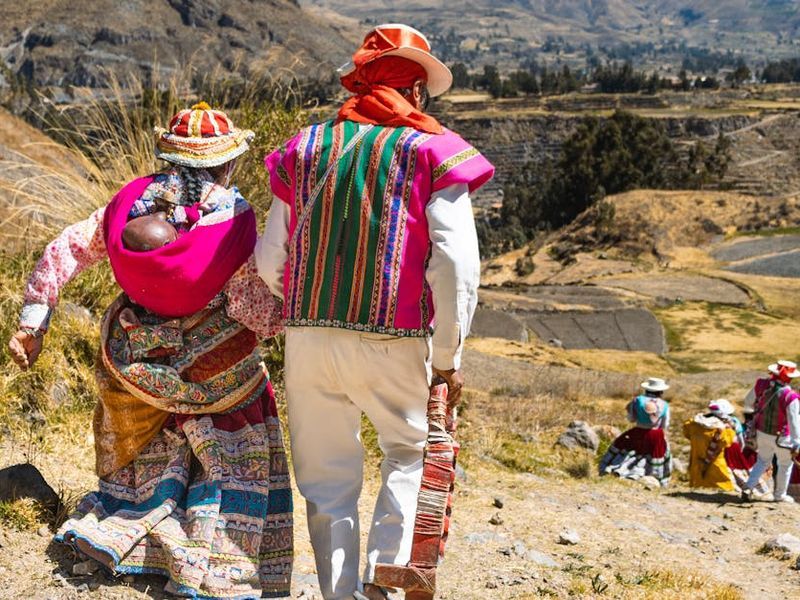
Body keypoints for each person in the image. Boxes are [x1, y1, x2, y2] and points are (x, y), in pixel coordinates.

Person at [8, 103, 293, 598]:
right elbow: (250, 307)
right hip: (212, 365)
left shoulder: (130, 204)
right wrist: (284, 321)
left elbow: (66, 249)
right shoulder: (231, 218)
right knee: (234, 421)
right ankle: (210, 544)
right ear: (227, 162)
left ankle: (133, 518)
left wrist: (35, 319)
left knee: (158, 439)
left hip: (136, 350)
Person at [255, 23, 494, 600]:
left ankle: (339, 593)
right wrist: (447, 356)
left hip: (308, 337)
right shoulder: (432, 150)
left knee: (326, 480)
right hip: (397, 337)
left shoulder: (304, 148)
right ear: (416, 90)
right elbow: (455, 264)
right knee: (409, 452)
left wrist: (307, 305)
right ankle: (384, 578)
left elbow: (269, 260)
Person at [741, 360, 800, 503]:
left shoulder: (761, 385)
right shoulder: (790, 396)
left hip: (762, 432)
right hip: (782, 437)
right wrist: (796, 442)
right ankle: (780, 495)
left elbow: (748, 402)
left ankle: (748, 486)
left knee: (762, 460)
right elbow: (793, 421)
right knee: (785, 464)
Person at [599, 377, 672, 487]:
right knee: (657, 453)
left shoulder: (637, 400)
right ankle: (654, 476)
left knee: (629, 449)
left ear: (647, 389)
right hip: (656, 434)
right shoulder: (664, 405)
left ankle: (623, 469)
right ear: (660, 391)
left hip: (638, 431)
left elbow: (631, 419)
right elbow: (665, 424)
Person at [682, 399, 737, 491]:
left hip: (696, 459)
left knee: (698, 483)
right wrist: (731, 428)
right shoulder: (723, 430)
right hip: (715, 463)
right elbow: (727, 442)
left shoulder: (693, 424)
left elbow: (687, 433)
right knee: (721, 484)